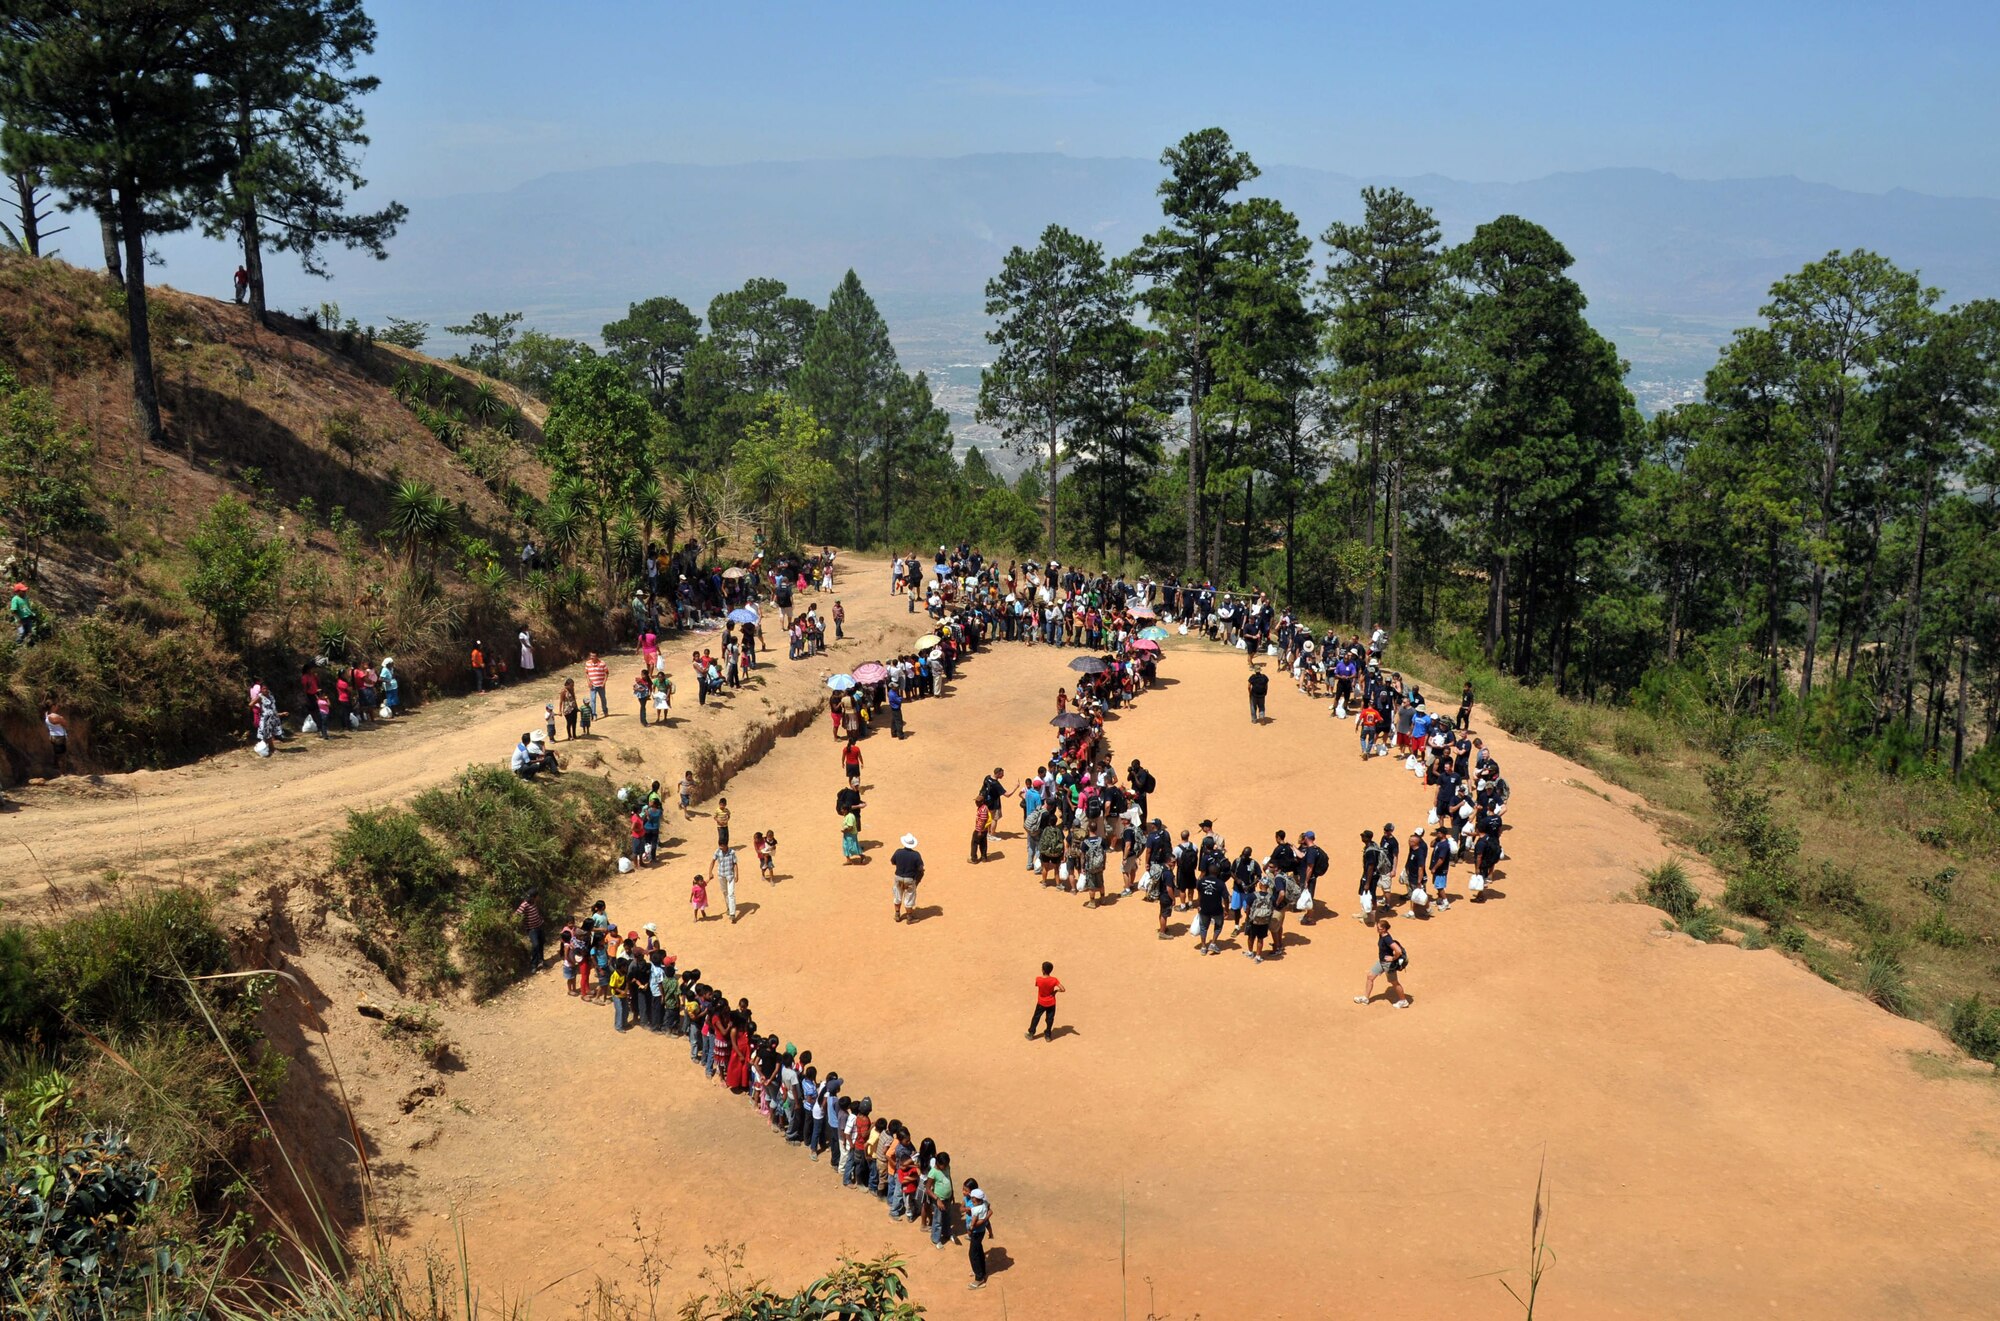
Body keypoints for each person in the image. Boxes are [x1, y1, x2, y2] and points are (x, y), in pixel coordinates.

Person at [1356, 920, 1412, 1007]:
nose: (1377, 930)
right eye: (1377, 928)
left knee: (1394, 983)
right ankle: (1365, 998)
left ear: (1385, 929)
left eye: (1380, 928)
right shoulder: (1381, 934)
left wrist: (1393, 958)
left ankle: (1403, 1001)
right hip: (1381, 962)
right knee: (1370, 976)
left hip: (1388, 965)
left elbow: (1398, 951)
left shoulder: (1387, 939)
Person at [963, 1180, 992, 1289]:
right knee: (979, 1250)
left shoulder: (975, 1209)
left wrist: (970, 1229)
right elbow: (989, 1211)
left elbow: (974, 1223)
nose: (971, 1199)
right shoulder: (984, 1204)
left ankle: (979, 1278)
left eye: (972, 1198)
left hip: (975, 1233)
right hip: (981, 1232)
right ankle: (981, 1271)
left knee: (973, 1254)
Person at [890, 833, 924, 922]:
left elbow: (892, 861)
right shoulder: (916, 855)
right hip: (910, 879)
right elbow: (920, 868)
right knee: (909, 897)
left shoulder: (898, 852)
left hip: (898, 877)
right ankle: (909, 917)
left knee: (897, 895)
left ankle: (897, 914)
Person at [708, 842, 743, 924]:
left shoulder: (732, 852)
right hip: (721, 875)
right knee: (725, 892)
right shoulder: (717, 851)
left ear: (726, 845)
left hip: (730, 876)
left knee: (731, 894)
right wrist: (710, 872)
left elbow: (735, 864)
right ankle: (729, 907)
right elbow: (712, 861)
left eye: (721, 845)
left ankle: (732, 913)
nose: (720, 847)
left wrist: (737, 874)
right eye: (719, 845)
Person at [1028, 961, 1063, 1040]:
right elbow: (1063, 989)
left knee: (1036, 1017)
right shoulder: (1054, 980)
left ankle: (1031, 1033)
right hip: (1051, 1003)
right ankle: (1047, 1035)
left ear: (1043, 970)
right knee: (1049, 1019)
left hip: (1041, 1002)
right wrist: (1056, 991)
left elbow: (1037, 985)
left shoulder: (1038, 979)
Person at [515, 890, 545, 970]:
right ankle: (533, 964)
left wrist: (541, 919)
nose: (538, 897)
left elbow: (536, 912)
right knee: (536, 945)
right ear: (533, 896)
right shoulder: (524, 905)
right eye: (537, 896)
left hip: (539, 926)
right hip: (532, 929)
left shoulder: (534, 902)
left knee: (541, 943)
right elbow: (517, 914)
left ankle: (541, 961)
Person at [43, 701, 68, 778]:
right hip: (59, 737)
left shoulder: (47, 715)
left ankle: (58, 771)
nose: (58, 707)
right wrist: (61, 719)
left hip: (53, 736)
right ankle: (62, 773)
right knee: (61, 755)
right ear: (53, 707)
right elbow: (65, 724)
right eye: (56, 705)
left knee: (57, 754)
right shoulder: (55, 717)